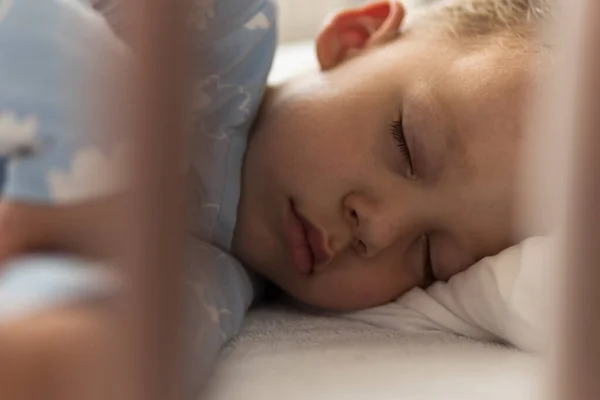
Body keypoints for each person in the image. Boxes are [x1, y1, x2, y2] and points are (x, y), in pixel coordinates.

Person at [0, 0, 554, 398]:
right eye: (405, 144)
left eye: (431, 257)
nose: (379, 231)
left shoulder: (202, 294)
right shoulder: (221, 28)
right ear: (355, 37)